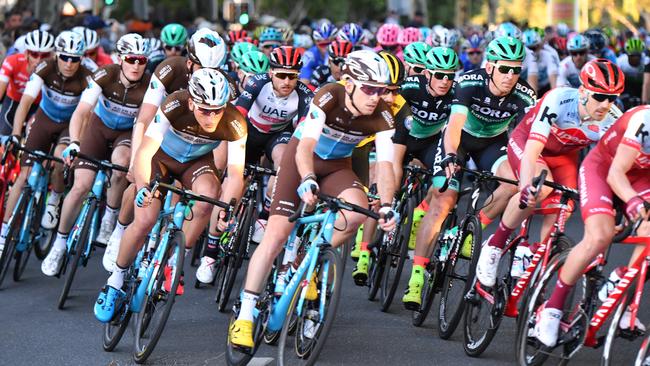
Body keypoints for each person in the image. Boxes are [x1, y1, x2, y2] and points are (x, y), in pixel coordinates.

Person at [228, 50, 399, 348]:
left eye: (381, 90)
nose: (376, 97)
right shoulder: (328, 96)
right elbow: (305, 145)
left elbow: (385, 165)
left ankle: (306, 258)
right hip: (301, 160)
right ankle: (244, 315)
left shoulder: (382, 114)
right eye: (369, 89)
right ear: (350, 85)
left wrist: (386, 205)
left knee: (357, 212)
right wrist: (306, 178)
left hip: (337, 166)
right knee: (276, 235)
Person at [94, 68, 248, 322]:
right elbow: (144, 153)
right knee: (144, 220)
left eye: (217, 110)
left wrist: (226, 210)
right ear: (191, 102)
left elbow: (234, 174)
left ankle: (175, 258)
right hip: (160, 158)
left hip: (196, 163)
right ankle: (115, 280)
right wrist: (143, 186)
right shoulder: (174, 104)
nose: (211, 117)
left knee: (209, 197)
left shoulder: (234, 122)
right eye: (204, 110)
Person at [408, 37, 536, 306]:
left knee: (513, 183)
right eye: (504, 69)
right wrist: (451, 156)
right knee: (443, 201)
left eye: (516, 70)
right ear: (489, 67)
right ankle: (417, 275)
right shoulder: (469, 83)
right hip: (460, 139)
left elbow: (529, 134)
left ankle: (471, 229)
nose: (510, 76)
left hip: (492, 143)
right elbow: (454, 125)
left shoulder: (524, 93)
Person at [475, 59, 624, 287]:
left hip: (564, 156)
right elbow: (532, 152)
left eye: (612, 98)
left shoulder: (613, 119)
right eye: (599, 96)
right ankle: (494, 245)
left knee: (565, 204)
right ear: (583, 91)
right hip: (529, 143)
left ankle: (536, 255)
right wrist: (526, 187)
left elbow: (614, 167)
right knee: (539, 188)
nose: (605, 104)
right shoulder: (559, 99)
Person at [101, 28, 229, 272]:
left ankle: (169, 261)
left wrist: (217, 175)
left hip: (193, 149)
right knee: (136, 183)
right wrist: (136, 161)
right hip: (159, 138)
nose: (209, 75)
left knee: (204, 195)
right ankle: (120, 229)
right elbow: (144, 118)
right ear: (190, 62)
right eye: (203, 68)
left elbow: (224, 140)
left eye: (215, 70)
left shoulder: (221, 86)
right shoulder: (170, 69)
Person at [534, 105, 650, 348]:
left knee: (648, 232)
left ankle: (623, 289)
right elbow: (616, 173)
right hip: (605, 170)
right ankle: (552, 308)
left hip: (642, 178)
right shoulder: (644, 119)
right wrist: (633, 203)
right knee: (599, 236)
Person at [195, 46, 313, 284]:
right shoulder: (257, 84)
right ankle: (210, 252)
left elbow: (303, 131)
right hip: (246, 131)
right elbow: (236, 115)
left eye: (292, 76)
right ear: (271, 73)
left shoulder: (304, 94)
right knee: (231, 183)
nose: (287, 81)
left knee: (285, 160)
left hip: (276, 137)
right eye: (281, 75)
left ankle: (265, 211)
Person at [40, 33, 151, 276]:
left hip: (125, 134)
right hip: (98, 129)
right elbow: (81, 112)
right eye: (131, 59)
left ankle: (110, 216)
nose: (136, 65)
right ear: (120, 59)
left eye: (142, 60)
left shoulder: (150, 85)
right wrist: (75, 142)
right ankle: (58, 244)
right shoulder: (105, 74)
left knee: (122, 164)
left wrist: (137, 161)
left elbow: (142, 125)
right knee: (80, 186)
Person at [0, 31, 92, 254]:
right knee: (24, 174)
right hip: (44, 120)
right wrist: (14, 133)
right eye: (65, 57)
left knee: (59, 163)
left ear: (81, 59)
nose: (69, 63)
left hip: (68, 126)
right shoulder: (45, 68)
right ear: (57, 55)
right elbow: (25, 102)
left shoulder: (87, 76)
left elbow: (88, 114)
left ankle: (55, 199)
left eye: (75, 59)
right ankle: (3, 234)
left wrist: (78, 142)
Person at [0, 29, 54, 135]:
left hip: (38, 105)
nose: (39, 60)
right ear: (26, 54)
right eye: (34, 54)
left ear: (51, 56)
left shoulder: (55, 67)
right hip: (14, 101)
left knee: (34, 135)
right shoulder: (12, 61)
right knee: (4, 134)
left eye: (44, 56)